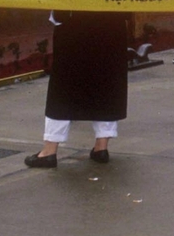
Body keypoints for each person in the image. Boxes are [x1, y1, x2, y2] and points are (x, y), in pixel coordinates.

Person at [24, 12, 132, 167]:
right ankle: (101, 147)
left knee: (63, 88)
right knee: (107, 82)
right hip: (112, 23)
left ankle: (49, 151)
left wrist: (58, 17)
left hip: (75, 25)